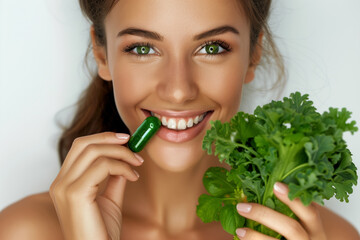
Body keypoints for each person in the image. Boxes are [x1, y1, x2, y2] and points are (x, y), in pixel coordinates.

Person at [0, 0, 359, 239]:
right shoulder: (24, 231)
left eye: (212, 48)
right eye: (142, 48)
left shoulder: (332, 237)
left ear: (253, 55)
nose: (178, 90)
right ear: (102, 53)